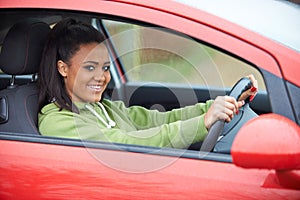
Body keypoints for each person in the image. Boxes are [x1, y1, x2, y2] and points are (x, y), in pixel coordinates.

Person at [38, 18, 258, 149]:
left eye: (105, 68)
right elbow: (124, 143)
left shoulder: (102, 108)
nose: (101, 77)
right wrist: (203, 123)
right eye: (89, 67)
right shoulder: (58, 122)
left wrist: (215, 108)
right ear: (63, 68)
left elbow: (157, 120)